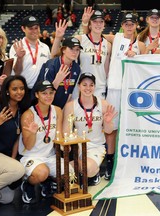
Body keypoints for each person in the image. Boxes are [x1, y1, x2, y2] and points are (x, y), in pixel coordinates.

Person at [103, 13, 146, 180]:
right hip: (114, 87)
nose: (129, 26)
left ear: (136, 25)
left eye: (132, 24)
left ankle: (131, 162)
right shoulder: (116, 38)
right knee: (112, 127)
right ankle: (110, 162)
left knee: (132, 126)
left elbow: (144, 67)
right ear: (122, 25)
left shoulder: (141, 45)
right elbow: (94, 34)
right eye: (126, 24)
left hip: (132, 90)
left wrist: (137, 58)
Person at [18, 80, 73, 204]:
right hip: (31, 156)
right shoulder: (28, 115)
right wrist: (32, 133)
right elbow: (28, 145)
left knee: (70, 174)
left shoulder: (57, 110)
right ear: (37, 95)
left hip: (50, 156)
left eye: (51, 93)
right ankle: (28, 184)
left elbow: (57, 136)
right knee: (42, 173)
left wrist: (65, 145)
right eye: (44, 93)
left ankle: (47, 182)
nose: (48, 96)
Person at [63, 73, 116, 185]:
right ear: (79, 86)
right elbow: (65, 132)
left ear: (94, 87)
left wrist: (107, 121)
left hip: (96, 146)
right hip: (78, 146)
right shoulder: (71, 106)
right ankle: (79, 171)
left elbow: (108, 131)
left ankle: (90, 171)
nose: (88, 88)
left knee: (87, 168)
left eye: (91, 85)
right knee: (63, 170)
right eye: (84, 85)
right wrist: (74, 143)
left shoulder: (103, 104)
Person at [52, 9, 111, 100]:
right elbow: (55, 55)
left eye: (101, 22)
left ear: (104, 24)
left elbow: (106, 70)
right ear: (90, 24)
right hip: (80, 86)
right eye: (95, 21)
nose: (98, 24)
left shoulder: (107, 45)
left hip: (99, 87)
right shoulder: (80, 39)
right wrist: (58, 38)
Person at [0, 75, 30, 210]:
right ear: (7, 91)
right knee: (18, 170)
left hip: (5, 157)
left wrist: (13, 159)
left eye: (21, 88)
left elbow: (17, 138)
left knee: (7, 199)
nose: (19, 92)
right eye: (15, 89)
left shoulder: (21, 110)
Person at [35, 36, 82, 109]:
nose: (75, 52)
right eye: (71, 49)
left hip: (63, 108)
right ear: (63, 50)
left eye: (77, 50)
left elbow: (70, 92)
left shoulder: (76, 68)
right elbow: (43, 93)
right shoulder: (51, 65)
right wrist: (57, 80)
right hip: (45, 107)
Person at [9, 16, 50, 91]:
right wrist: (20, 58)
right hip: (23, 91)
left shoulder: (45, 47)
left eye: (36, 28)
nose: (34, 31)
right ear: (23, 29)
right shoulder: (17, 47)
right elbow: (16, 72)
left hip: (41, 90)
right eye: (30, 28)